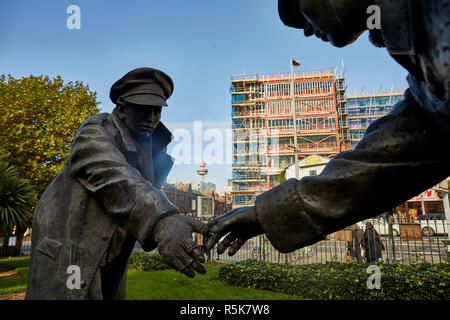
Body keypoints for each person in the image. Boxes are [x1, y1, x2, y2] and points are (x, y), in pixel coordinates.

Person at [206, 0, 450, 257]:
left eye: (301, 9)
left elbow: (410, 140)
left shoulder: (426, 16)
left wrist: (265, 212)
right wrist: (264, 213)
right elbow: (401, 148)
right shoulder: (411, 34)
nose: (307, 30)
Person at [26, 67, 210, 300]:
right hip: (70, 255)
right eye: (143, 110)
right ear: (121, 108)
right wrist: (164, 220)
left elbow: (135, 201)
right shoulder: (95, 132)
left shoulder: (150, 149)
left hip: (110, 257)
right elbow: (117, 177)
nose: (151, 119)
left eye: (156, 111)